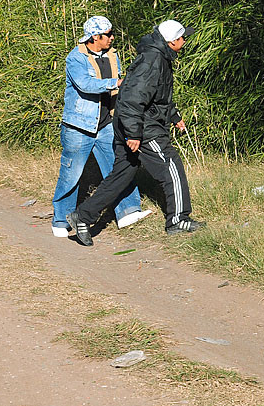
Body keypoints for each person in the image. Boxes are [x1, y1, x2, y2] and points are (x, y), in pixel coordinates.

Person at [66, 19, 205, 246]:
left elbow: (157, 96)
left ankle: (82, 216)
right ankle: (178, 220)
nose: (185, 41)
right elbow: (132, 100)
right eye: (183, 38)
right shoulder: (153, 61)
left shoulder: (157, 56)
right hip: (142, 126)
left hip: (130, 123)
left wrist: (174, 116)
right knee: (171, 167)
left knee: (123, 174)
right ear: (171, 42)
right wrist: (134, 134)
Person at [51, 16, 152, 237]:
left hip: (107, 123)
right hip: (79, 125)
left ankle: (128, 210)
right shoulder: (76, 58)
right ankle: (60, 219)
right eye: (109, 34)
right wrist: (115, 83)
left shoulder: (112, 55)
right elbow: (85, 84)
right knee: (71, 174)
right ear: (95, 37)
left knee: (119, 167)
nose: (112, 37)